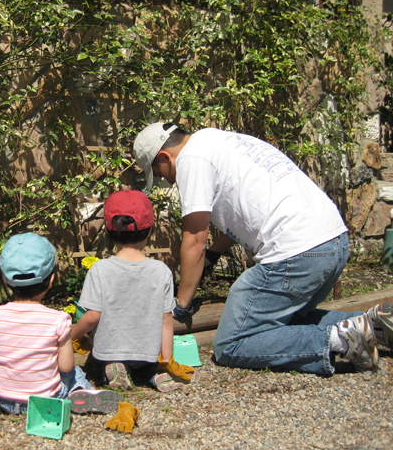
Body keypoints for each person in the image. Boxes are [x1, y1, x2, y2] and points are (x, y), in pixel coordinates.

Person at [133, 123, 393, 374]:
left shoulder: (191, 160)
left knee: (231, 344)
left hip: (295, 253)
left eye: (159, 174)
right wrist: (213, 256)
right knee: (281, 321)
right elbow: (240, 219)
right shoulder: (219, 141)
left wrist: (182, 304)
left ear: (165, 157)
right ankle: (372, 323)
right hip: (333, 243)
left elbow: (194, 240)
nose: (166, 180)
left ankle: (342, 338)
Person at [0, 232, 122, 415]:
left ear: (5, 279)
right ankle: (79, 391)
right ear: (51, 280)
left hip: (5, 399)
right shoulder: (57, 320)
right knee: (74, 373)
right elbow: (65, 365)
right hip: (44, 400)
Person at [71, 190, 197, 392]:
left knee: (105, 359)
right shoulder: (161, 271)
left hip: (109, 352)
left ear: (108, 230)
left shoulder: (99, 269)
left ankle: (115, 368)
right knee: (149, 366)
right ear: (149, 230)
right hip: (147, 353)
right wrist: (166, 359)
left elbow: (92, 317)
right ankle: (157, 374)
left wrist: (72, 335)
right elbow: (166, 320)